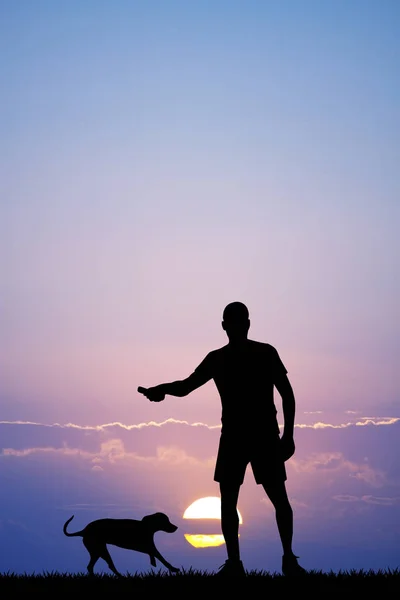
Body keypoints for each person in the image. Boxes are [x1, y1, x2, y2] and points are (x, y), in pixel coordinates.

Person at [138, 301, 306, 577]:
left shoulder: (264, 352)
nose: (237, 327)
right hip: (236, 437)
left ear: (243, 324)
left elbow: (287, 394)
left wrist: (288, 435)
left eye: (239, 322)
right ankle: (236, 564)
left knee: (275, 499)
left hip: (262, 435)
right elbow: (186, 386)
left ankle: (286, 559)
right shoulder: (219, 358)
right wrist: (162, 390)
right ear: (226, 326)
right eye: (234, 322)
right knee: (231, 501)